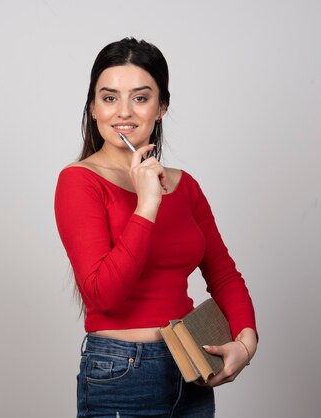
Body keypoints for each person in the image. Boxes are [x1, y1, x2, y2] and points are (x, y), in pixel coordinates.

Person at [54, 37, 257, 418]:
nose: (123, 112)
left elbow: (225, 275)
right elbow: (103, 296)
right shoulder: (79, 182)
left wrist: (245, 344)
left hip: (191, 365)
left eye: (141, 98)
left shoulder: (186, 185)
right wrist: (147, 205)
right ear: (93, 108)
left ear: (161, 107)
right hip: (121, 374)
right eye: (109, 98)